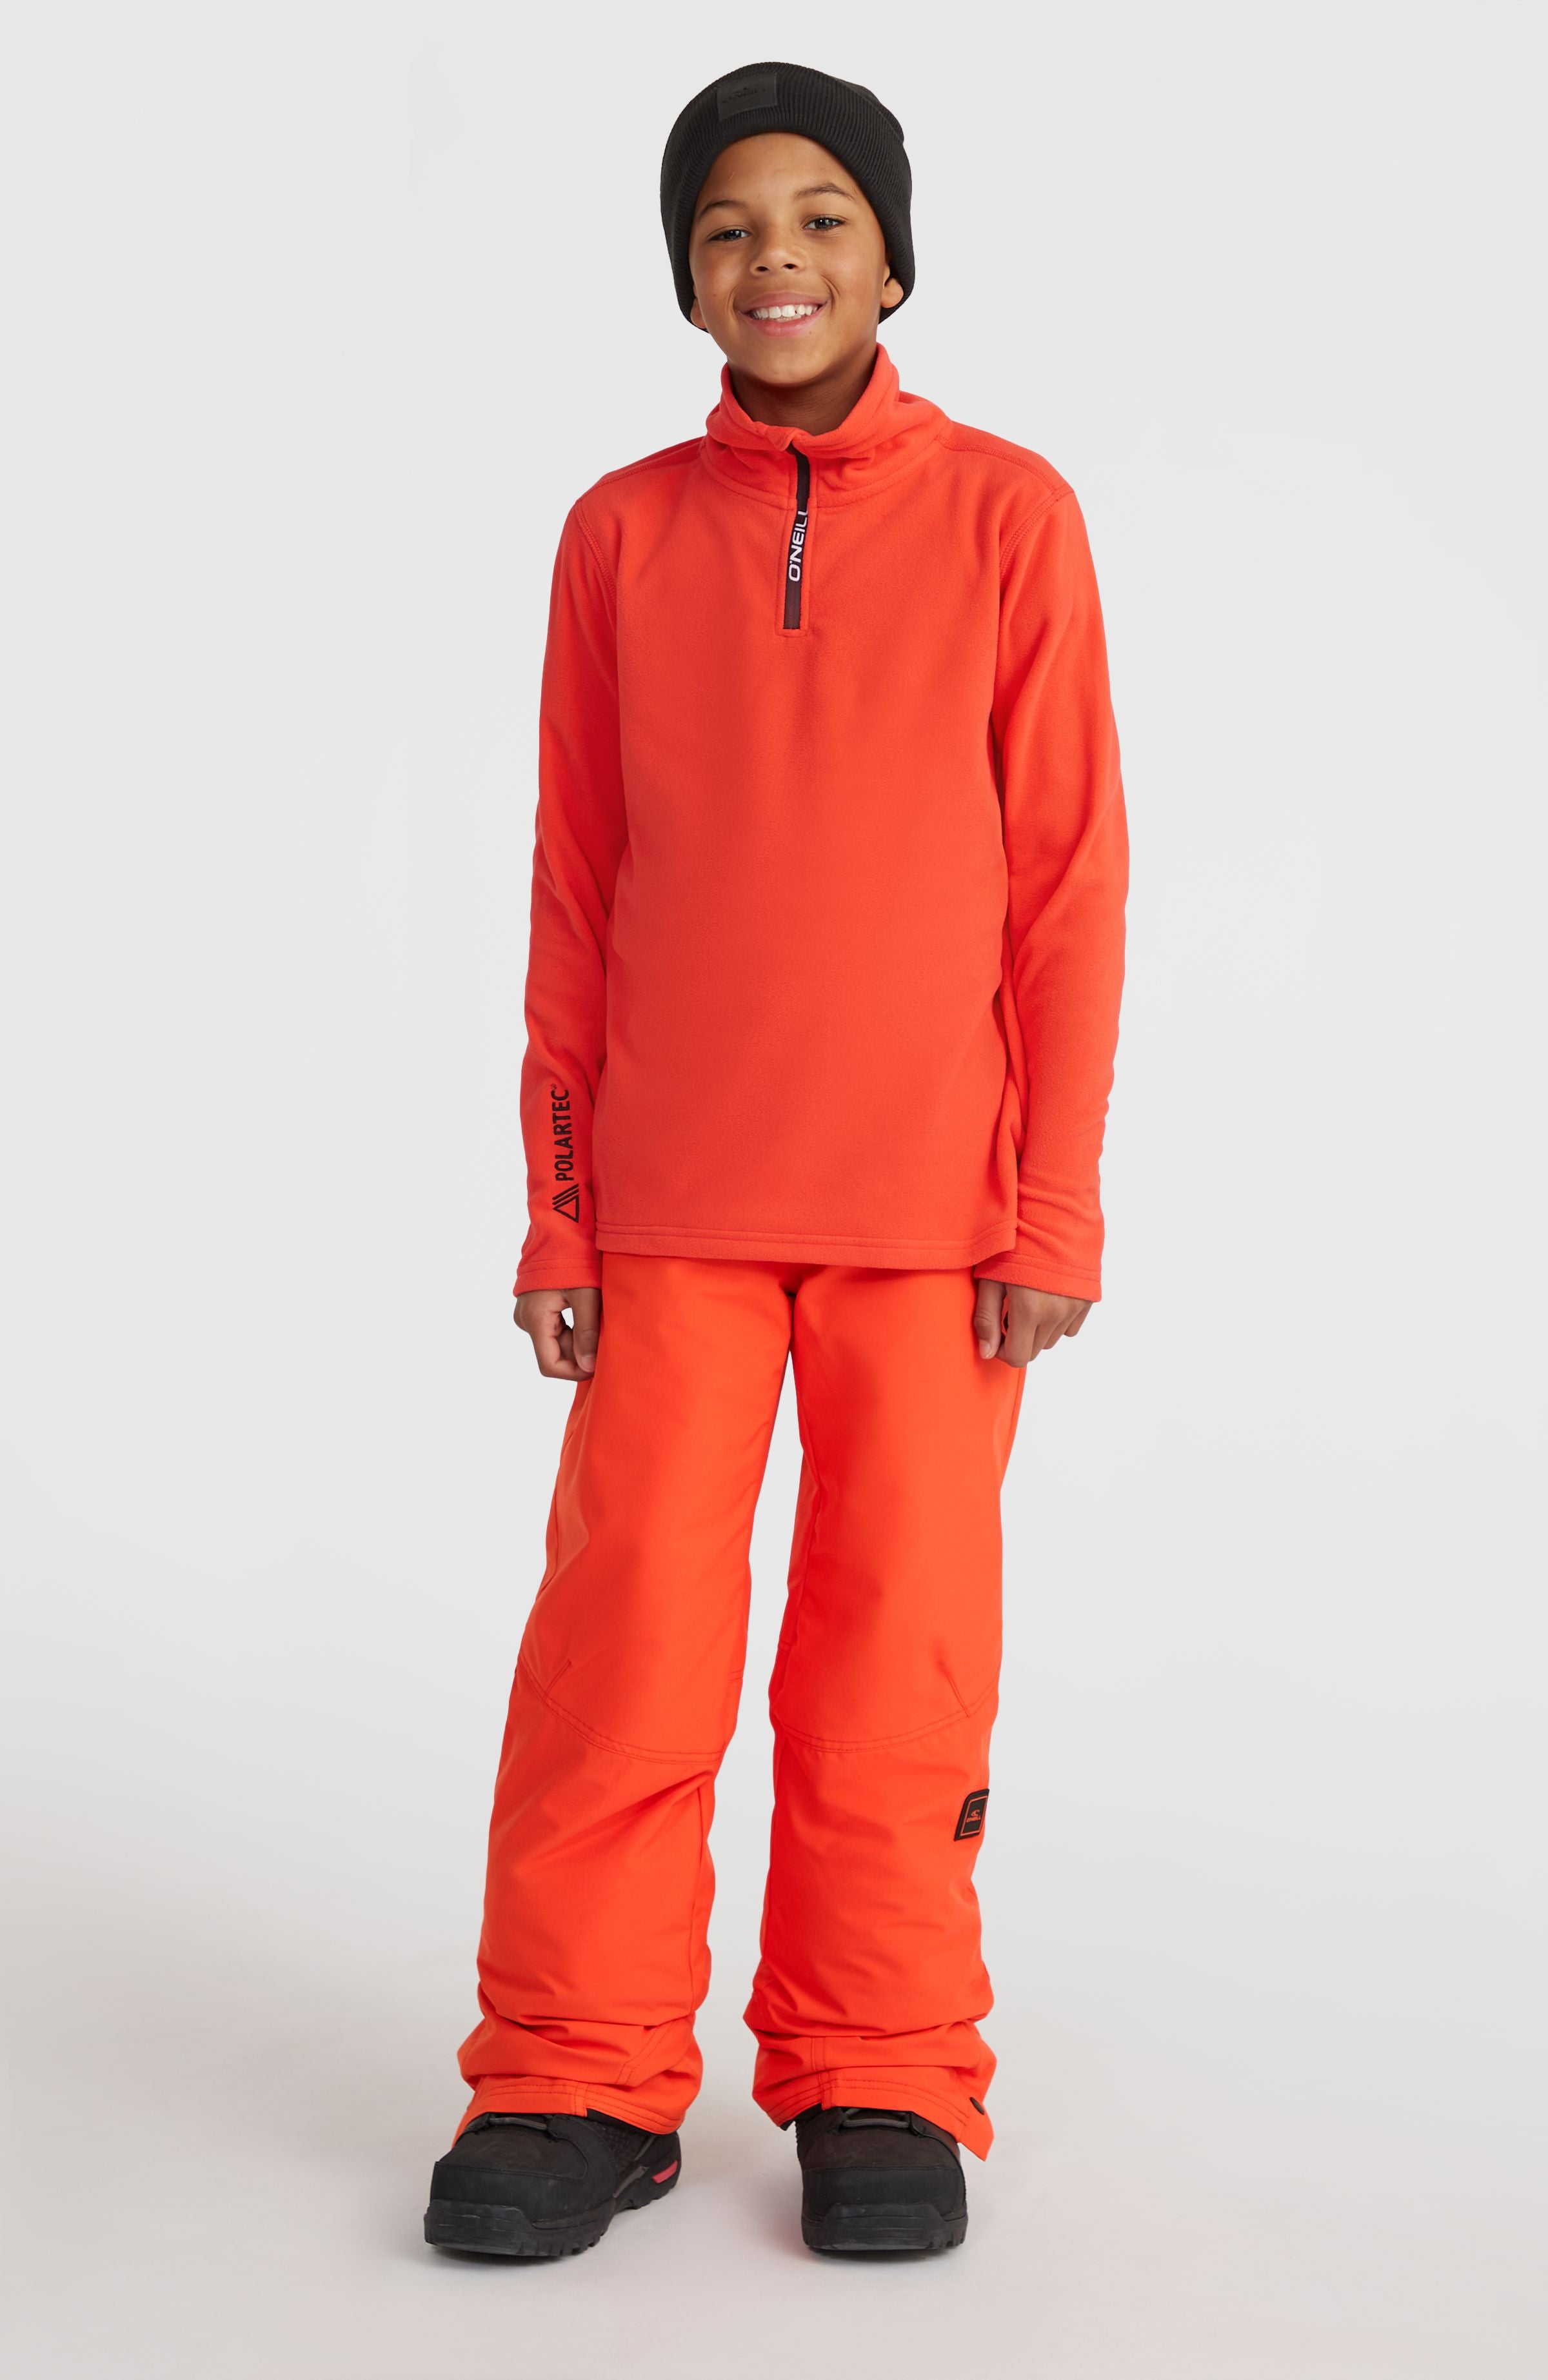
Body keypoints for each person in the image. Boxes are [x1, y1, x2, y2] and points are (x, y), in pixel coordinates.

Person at [424, 58, 1127, 2261]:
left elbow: (1070, 883)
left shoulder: (1010, 515)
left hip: (935, 1220)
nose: (777, 258)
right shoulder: (622, 535)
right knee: (623, 1647)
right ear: (685, 276)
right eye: (728, 226)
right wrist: (559, 1199)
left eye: (823, 216)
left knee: (895, 1659)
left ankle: (881, 2062)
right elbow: (579, 877)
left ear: (893, 258)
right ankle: (575, 2071)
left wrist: (1054, 1200)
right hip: (666, 1211)